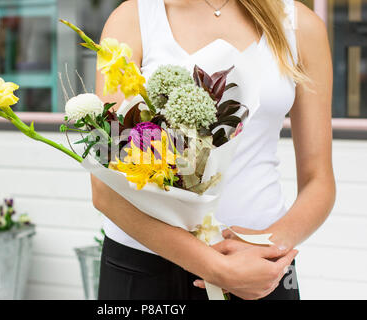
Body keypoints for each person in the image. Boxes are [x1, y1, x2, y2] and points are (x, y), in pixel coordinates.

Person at [91, 0, 335, 300]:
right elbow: (105, 187)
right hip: (145, 267)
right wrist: (215, 267)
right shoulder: (134, 17)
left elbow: (319, 181)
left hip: (260, 270)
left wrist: (271, 245)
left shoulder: (299, 25)